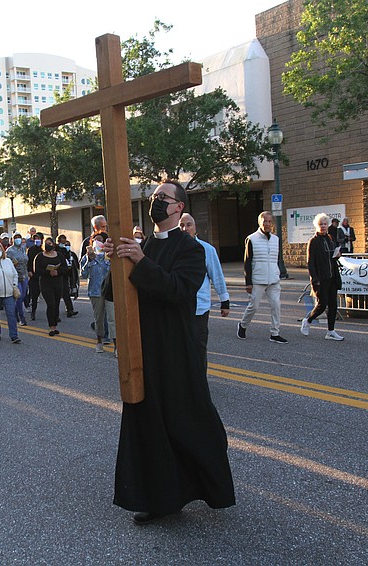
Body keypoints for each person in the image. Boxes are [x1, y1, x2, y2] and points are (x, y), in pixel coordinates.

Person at [104, 180, 235, 524]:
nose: (156, 201)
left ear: (179, 207)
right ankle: (160, 498)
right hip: (143, 350)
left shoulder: (191, 249)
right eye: (153, 197)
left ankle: (207, 484)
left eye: (163, 197)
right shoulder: (143, 244)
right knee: (149, 423)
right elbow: (114, 294)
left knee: (188, 420)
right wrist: (115, 261)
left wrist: (140, 261)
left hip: (176, 350)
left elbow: (178, 291)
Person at [178, 213, 233, 368]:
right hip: (179, 307)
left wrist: (225, 301)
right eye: (181, 225)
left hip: (199, 308)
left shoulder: (207, 249)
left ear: (195, 228)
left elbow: (217, 276)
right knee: (180, 348)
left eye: (189, 225)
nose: (185, 228)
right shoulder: (173, 249)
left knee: (198, 347)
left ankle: (199, 377)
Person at [236, 211, 287, 344]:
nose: (267, 224)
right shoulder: (251, 239)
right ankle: (243, 325)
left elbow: (275, 259)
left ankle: (275, 333)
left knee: (276, 305)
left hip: (273, 279)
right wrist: (248, 282)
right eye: (265, 221)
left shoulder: (276, 239)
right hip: (258, 280)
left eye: (270, 221)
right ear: (260, 222)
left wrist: (277, 273)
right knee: (253, 306)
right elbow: (247, 262)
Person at [301, 212, 344, 341]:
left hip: (332, 276)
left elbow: (331, 258)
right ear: (317, 226)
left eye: (325, 224)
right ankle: (308, 320)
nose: (323, 226)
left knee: (333, 305)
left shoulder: (330, 239)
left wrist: (337, 256)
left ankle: (331, 331)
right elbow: (310, 262)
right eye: (321, 224)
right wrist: (314, 278)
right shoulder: (313, 241)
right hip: (321, 278)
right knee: (322, 305)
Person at [80, 232, 111, 353]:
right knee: (99, 317)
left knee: (111, 318)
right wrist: (89, 260)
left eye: (100, 240)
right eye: (95, 240)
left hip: (109, 291)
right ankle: (99, 341)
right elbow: (83, 275)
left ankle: (115, 342)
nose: (98, 242)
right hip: (95, 291)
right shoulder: (87, 257)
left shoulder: (109, 256)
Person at [33, 236, 64, 336]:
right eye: (46, 243)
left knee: (57, 303)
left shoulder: (59, 255)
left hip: (58, 281)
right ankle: (51, 327)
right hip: (45, 282)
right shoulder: (39, 256)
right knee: (51, 304)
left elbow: (65, 267)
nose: (48, 245)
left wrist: (58, 271)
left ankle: (55, 325)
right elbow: (37, 270)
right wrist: (48, 272)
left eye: (50, 243)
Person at [6, 233, 29, 326]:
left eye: (19, 237)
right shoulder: (10, 251)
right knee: (18, 296)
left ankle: (15, 312)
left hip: (24, 275)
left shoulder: (23, 249)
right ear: (12, 240)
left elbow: (26, 261)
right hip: (16, 276)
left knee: (23, 295)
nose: (18, 239)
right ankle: (21, 317)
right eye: (15, 238)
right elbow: (7, 263)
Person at [25, 232, 44, 319]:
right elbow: (28, 262)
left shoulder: (44, 250)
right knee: (34, 295)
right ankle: (33, 312)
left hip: (43, 275)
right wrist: (29, 271)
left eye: (39, 239)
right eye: (35, 239)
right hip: (34, 276)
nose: (37, 240)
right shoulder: (31, 250)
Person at [59, 239, 79, 318]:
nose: (67, 246)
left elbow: (76, 265)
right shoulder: (59, 253)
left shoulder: (72, 254)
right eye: (65, 244)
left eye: (68, 245)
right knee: (58, 295)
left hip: (69, 276)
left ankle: (70, 310)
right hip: (60, 275)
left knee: (66, 293)